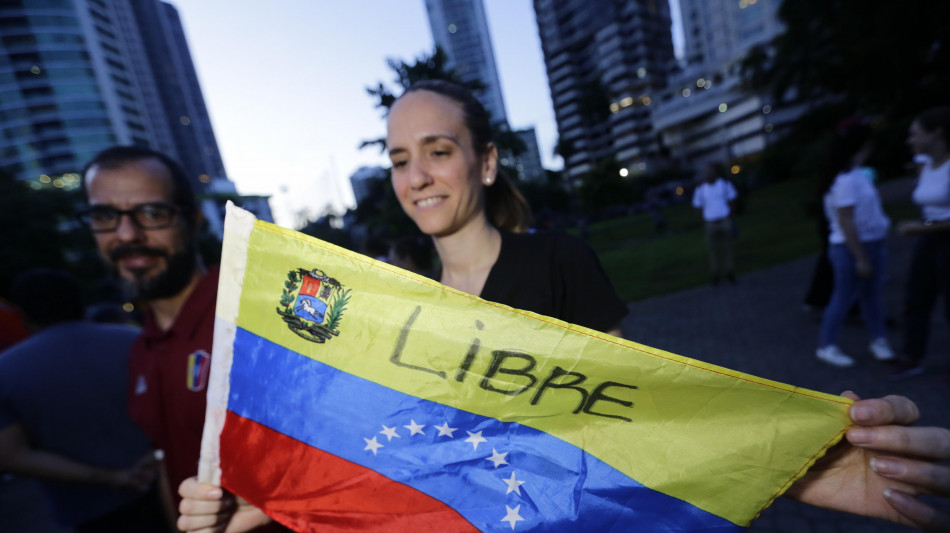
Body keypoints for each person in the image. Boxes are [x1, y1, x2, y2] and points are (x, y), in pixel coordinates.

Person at [177, 82, 950, 532]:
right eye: (400, 158)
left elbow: (630, 418)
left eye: (438, 150)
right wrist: (253, 498)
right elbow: (388, 453)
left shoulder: (558, 262)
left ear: (484, 160)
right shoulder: (388, 303)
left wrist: (789, 454)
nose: (416, 176)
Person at [80, 145, 221, 524]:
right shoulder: (141, 348)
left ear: (192, 220)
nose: (127, 234)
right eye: (106, 216)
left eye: (152, 213)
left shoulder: (250, 317)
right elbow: (167, 462)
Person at [0, 268, 165, 531]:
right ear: (79, 299)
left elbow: (10, 455)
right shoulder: (137, 342)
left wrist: (111, 478)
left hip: (88, 508)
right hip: (168, 482)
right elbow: (181, 410)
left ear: (22, 311)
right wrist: (154, 456)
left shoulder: (6, 370)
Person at [814, 118, 895, 367]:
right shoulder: (846, 179)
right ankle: (826, 345)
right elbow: (846, 221)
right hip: (850, 248)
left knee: (871, 296)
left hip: (871, 243)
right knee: (843, 296)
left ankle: (878, 339)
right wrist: (860, 257)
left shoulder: (857, 174)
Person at [890, 106, 950, 380]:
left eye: (915, 133)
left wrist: (920, 227)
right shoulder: (925, 163)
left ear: (936, 132)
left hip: (943, 238)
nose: (909, 139)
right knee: (916, 300)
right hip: (927, 239)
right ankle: (911, 357)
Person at [691, 163, 738, 285]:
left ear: (715, 173)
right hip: (710, 223)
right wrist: (702, 222)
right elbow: (697, 207)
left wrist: (730, 216)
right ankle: (715, 273)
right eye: (707, 173)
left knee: (727, 247)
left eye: (710, 172)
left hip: (724, 220)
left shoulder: (724, 185)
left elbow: (732, 199)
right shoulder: (701, 189)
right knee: (713, 250)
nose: (708, 175)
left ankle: (730, 272)